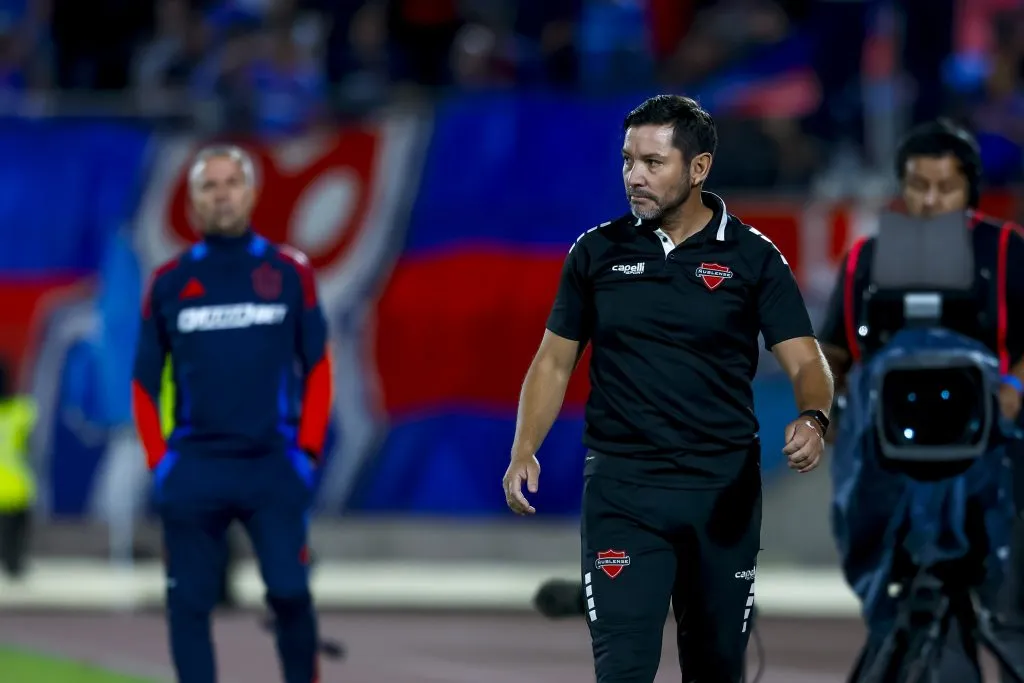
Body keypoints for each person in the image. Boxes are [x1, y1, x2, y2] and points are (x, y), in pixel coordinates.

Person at [502, 94, 834, 683]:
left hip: (721, 494)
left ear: (698, 169)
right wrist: (524, 447)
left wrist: (813, 417)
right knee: (623, 668)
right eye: (628, 160)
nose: (635, 176)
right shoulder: (596, 252)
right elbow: (554, 361)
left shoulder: (754, 258)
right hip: (623, 492)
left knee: (715, 669)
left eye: (653, 163)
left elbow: (807, 362)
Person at [820, 119, 1024, 682]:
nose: (930, 199)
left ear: (971, 189)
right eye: (918, 185)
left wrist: (1014, 390)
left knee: (1009, 614)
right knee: (904, 609)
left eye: (945, 187)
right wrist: (826, 401)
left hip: (994, 464)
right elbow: (831, 347)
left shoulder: (1006, 249)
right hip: (891, 464)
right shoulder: (866, 258)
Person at [132, 144, 334, 683]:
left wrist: (307, 452)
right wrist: (161, 464)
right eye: (208, 185)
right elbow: (142, 384)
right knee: (189, 604)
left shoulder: (291, 271)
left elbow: (318, 368)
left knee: (291, 593)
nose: (221, 194)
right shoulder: (169, 282)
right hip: (194, 467)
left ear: (251, 192)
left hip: (272, 464)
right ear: (193, 200)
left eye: (231, 183)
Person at [0, 358, 37, 580]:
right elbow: (33, 448)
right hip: (18, 486)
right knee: (15, 547)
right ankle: (15, 567)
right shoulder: (22, 412)